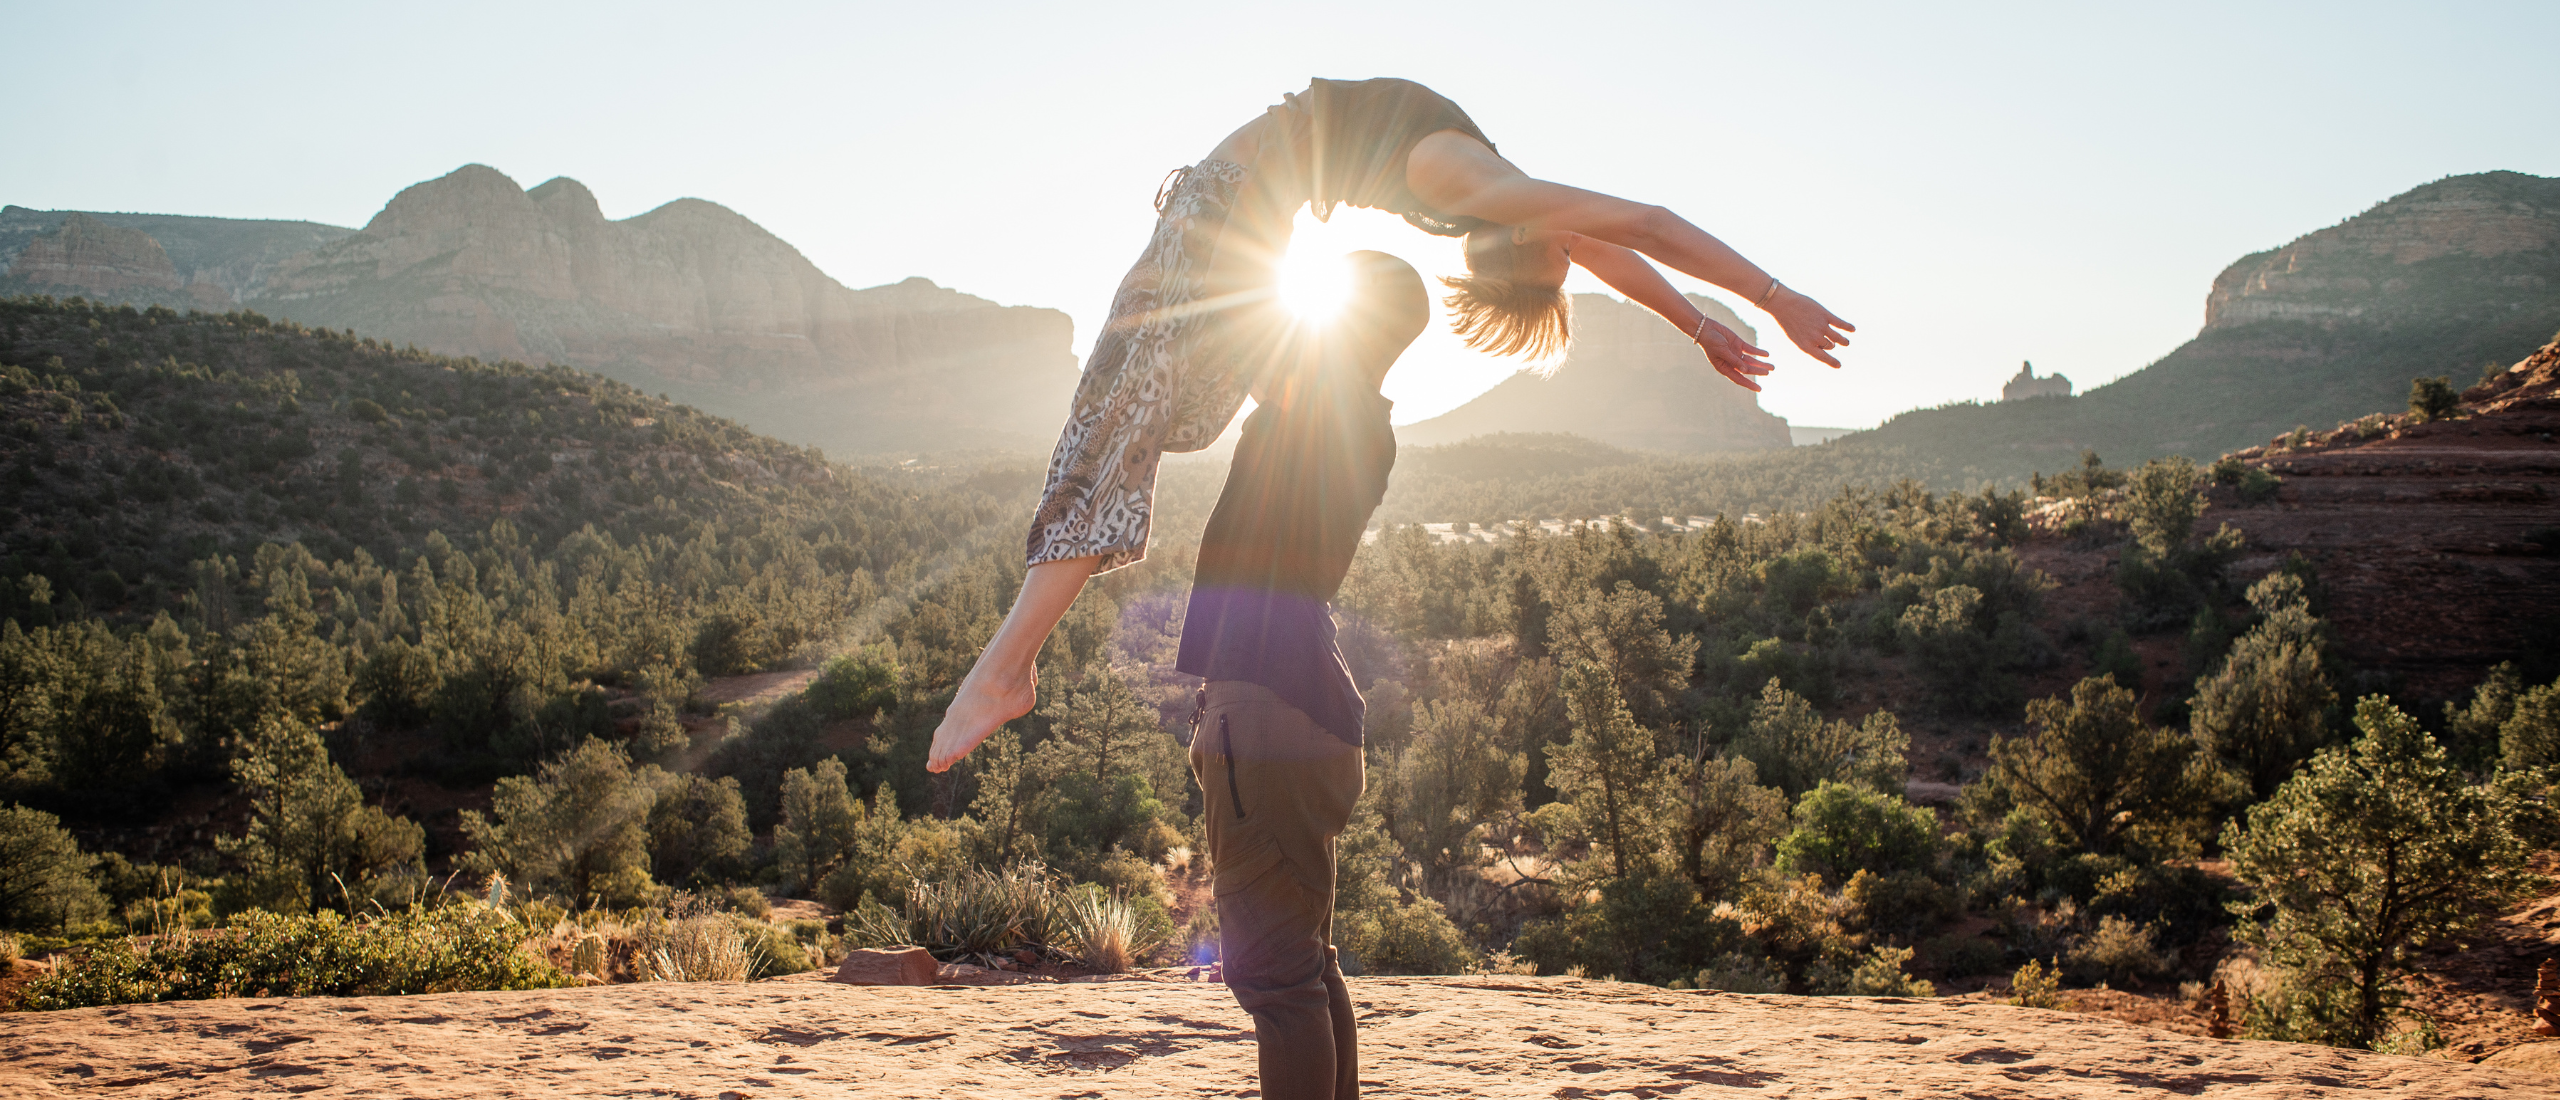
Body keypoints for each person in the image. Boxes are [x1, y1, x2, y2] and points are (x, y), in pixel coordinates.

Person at [927, 76, 1854, 773]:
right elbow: (1637, 223)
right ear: (1535, 238)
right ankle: (1008, 665)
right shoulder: (1472, 180)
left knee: (1144, 415)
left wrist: (1697, 328)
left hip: (1234, 213)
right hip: (1229, 207)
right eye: (1551, 250)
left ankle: (1009, 667)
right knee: (1125, 417)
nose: (1556, 247)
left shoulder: (1489, 193)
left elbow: (1611, 245)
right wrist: (1772, 296)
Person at [1179, 249, 1420, 1100]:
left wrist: (1222, 221)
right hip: (1306, 711)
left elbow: (1235, 328)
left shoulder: (1324, 401)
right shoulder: (1354, 414)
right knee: (1306, 967)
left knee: (1276, 983)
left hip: (1270, 718)